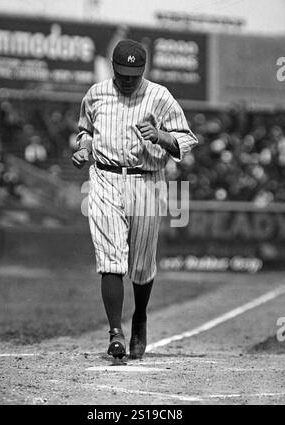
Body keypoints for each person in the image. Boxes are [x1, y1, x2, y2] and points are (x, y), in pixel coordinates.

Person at [72, 39, 198, 360]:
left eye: (135, 73)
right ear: (113, 67)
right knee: (110, 258)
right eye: (123, 72)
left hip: (146, 180)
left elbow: (186, 138)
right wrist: (85, 148)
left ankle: (139, 316)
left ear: (144, 70)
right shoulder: (96, 93)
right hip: (105, 177)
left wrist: (161, 135)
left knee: (140, 266)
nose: (129, 79)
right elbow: (84, 130)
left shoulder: (159, 96)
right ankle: (116, 332)